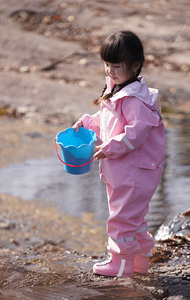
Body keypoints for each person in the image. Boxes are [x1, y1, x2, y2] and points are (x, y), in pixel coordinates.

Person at [73, 30, 166, 277]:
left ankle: (120, 264)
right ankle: (139, 261)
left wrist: (110, 148)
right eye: (106, 65)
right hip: (122, 170)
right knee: (133, 217)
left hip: (134, 171)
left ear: (135, 66)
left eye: (116, 66)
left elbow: (136, 133)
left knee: (121, 218)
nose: (110, 71)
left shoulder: (134, 99)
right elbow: (108, 120)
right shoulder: (118, 89)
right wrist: (86, 123)